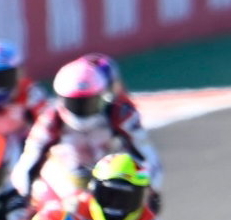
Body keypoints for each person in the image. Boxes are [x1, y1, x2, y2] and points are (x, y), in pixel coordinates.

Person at [13, 57, 163, 203]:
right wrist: (23, 198)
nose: (82, 109)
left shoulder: (121, 114)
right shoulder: (51, 119)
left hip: (113, 181)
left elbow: (149, 157)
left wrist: (151, 191)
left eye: (88, 102)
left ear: (102, 96)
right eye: (75, 103)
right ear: (61, 99)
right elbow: (28, 160)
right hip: (66, 182)